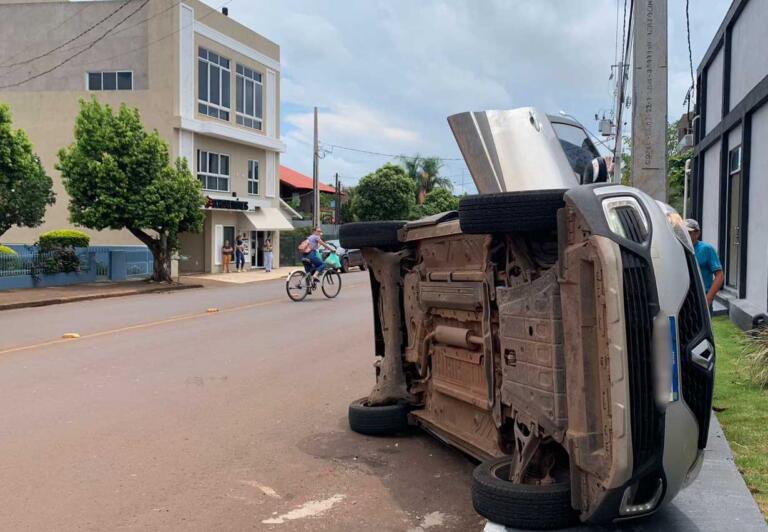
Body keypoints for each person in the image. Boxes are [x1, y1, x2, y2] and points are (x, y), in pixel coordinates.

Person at [686, 219, 724, 309]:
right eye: (683, 232)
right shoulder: (679, 248)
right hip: (683, 297)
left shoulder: (706, 249)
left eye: (689, 232)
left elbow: (720, 275)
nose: (685, 235)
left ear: (697, 233)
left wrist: (709, 298)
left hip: (701, 295)